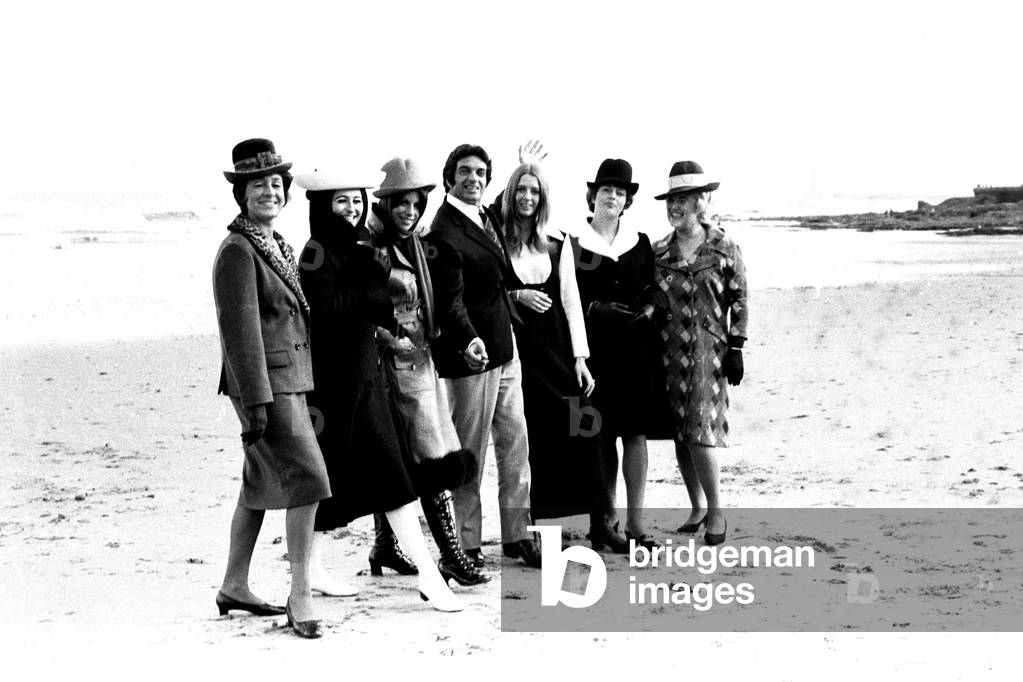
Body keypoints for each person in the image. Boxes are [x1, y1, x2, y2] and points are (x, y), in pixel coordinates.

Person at [295, 168, 463, 612]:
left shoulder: (356, 250)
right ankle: (310, 568)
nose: (351, 209)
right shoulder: (315, 251)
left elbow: (362, 304)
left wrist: (371, 294)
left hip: (364, 379)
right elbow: (325, 310)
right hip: (329, 386)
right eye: (341, 201)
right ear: (322, 205)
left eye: (356, 200)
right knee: (322, 481)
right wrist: (373, 296)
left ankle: (428, 575)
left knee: (393, 475)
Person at [213, 138, 330, 638]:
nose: (270, 191)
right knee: (309, 479)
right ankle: (299, 593)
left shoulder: (274, 243)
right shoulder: (239, 250)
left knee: (257, 484)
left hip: (289, 381)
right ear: (241, 193)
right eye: (258, 184)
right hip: (265, 386)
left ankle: (234, 584)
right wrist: (257, 402)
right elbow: (239, 332)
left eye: (276, 184)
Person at [365, 156, 490, 586]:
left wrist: (462, 338)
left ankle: (384, 545)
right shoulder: (373, 249)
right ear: (385, 204)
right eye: (400, 203)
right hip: (394, 366)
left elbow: (441, 302)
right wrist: (387, 337)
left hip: (421, 361)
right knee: (431, 457)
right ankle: (451, 556)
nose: (409, 211)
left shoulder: (415, 243)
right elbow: (362, 309)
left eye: (415, 204)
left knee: (407, 454)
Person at [424, 143, 541, 569]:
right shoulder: (441, 232)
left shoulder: (485, 215)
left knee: (515, 446)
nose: (473, 179)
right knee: (469, 453)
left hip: (505, 352)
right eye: (465, 172)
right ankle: (468, 545)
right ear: (449, 178)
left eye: (480, 173)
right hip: (470, 358)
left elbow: (510, 204)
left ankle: (518, 536)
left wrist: (525, 166)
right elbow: (450, 303)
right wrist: (470, 340)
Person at [571, 158, 670, 553]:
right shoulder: (574, 242)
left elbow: (656, 288)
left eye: (620, 192)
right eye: (606, 190)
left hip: (636, 350)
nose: (613, 197)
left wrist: (651, 307)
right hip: (594, 353)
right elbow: (568, 297)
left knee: (635, 434)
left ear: (628, 200)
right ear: (593, 196)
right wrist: (596, 309)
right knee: (597, 435)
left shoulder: (640, 242)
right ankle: (604, 520)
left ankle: (636, 521)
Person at [651, 161, 747, 546]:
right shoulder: (659, 250)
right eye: (673, 199)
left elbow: (739, 297)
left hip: (710, 349)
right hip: (668, 350)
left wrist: (737, 345)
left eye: (685, 199)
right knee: (679, 432)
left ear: (702, 201)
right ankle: (697, 507)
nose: (677, 207)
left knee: (701, 430)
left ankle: (718, 511)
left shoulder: (724, 246)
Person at [500, 161, 599, 519]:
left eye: (534, 191)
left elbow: (571, 302)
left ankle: (593, 518)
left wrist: (580, 359)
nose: (527, 197)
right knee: (533, 438)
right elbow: (489, 292)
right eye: (521, 190)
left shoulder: (557, 242)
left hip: (556, 349)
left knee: (583, 425)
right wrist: (516, 296)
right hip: (519, 350)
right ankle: (535, 522)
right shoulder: (498, 240)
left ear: (543, 198)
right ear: (511, 194)